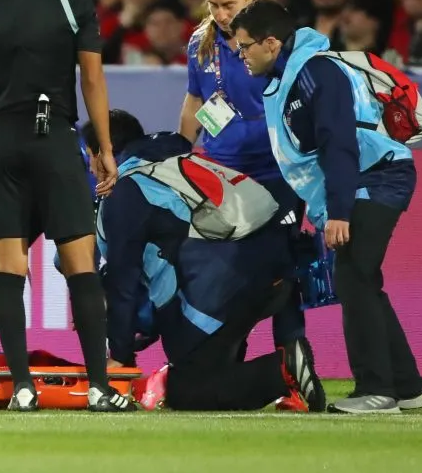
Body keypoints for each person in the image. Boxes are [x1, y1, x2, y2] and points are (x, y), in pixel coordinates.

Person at [0, 0, 130, 412]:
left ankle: (23, 389)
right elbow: (93, 81)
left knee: (7, 268)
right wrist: (104, 148)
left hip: (2, 140)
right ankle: (99, 387)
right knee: (80, 263)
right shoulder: (72, 2)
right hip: (55, 138)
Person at [231, 0, 422, 415]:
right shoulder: (292, 76)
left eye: (245, 46)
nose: (241, 55)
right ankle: (408, 387)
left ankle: (377, 390)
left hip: (375, 176)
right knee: (361, 278)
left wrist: (339, 210)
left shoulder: (316, 72)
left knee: (355, 277)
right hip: (362, 179)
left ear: (271, 43)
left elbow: (337, 142)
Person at [82, 110, 324, 413]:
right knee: (200, 368)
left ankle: (282, 370)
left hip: (222, 286)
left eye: (90, 156)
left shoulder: (126, 190)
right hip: (276, 269)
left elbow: (123, 281)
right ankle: (280, 365)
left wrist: (118, 352)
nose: (91, 169)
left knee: (188, 393)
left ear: (102, 153)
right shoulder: (178, 162)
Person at [179, 0, 310, 358]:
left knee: (280, 271)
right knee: (226, 274)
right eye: (212, 4)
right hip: (221, 175)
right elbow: (193, 104)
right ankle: (226, 362)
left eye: (228, 5)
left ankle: (294, 369)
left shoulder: (276, 39)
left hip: (277, 174)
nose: (219, 14)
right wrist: (181, 161)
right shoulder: (201, 43)